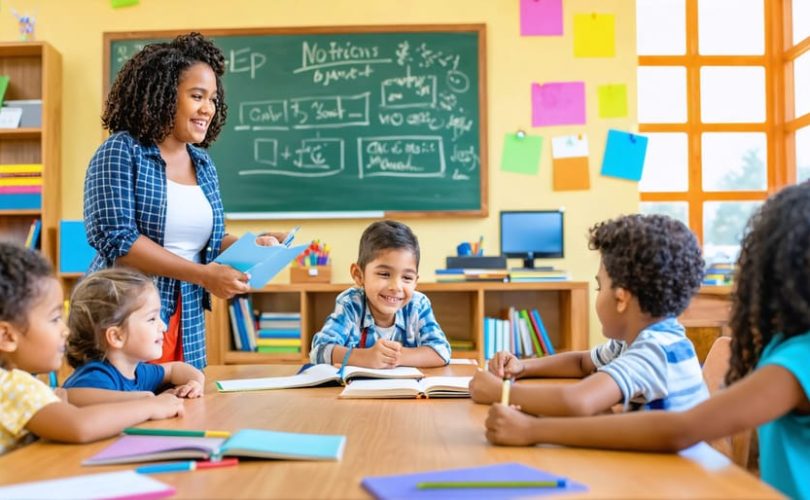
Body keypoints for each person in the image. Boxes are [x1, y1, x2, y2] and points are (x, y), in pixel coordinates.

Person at [484, 183, 810, 499]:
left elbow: (680, 429)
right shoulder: (784, 347)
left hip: (677, 483)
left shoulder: (797, 360)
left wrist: (530, 426)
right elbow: (586, 369)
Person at [83, 32, 285, 369]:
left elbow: (204, 240)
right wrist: (204, 276)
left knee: (184, 407)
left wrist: (253, 246)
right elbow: (118, 240)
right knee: (126, 411)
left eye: (214, 99)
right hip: (126, 316)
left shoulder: (203, 163)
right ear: (162, 96)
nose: (208, 109)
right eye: (197, 96)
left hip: (185, 317)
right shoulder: (121, 151)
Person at [470, 214, 707, 416]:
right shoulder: (634, 342)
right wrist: (523, 367)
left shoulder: (655, 351)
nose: (598, 293)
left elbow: (579, 400)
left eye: (599, 287)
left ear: (621, 299)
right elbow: (581, 363)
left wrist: (501, 392)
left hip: (674, 469)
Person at [0, 242, 184, 455]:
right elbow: (80, 426)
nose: (65, 330)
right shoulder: (14, 387)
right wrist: (151, 407)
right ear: (6, 336)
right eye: (55, 319)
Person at [310, 220, 451, 368]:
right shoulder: (351, 304)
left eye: (407, 278)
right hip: (358, 390)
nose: (396, 287)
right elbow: (319, 351)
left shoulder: (418, 305)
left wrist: (395, 357)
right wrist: (365, 357)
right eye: (384, 274)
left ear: (415, 281)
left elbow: (441, 351)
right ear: (359, 275)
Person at [62, 268, 205, 405]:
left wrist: (195, 383)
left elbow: (175, 369)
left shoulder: (136, 371)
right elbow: (71, 396)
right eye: (152, 319)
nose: (163, 326)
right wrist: (150, 401)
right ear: (117, 336)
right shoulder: (96, 377)